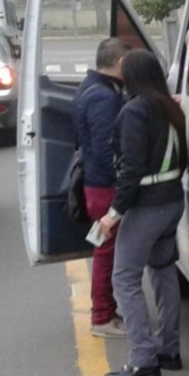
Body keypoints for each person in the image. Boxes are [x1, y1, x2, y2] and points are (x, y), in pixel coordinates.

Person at [97, 49, 188, 376]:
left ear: (132, 76)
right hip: (172, 200)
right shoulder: (171, 107)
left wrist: (114, 212)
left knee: (124, 278)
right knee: (164, 272)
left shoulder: (135, 110)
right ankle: (169, 350)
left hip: (147, 205)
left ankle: (143, 360)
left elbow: (131, 167)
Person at [74, 38, 129, 339]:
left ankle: (106, 311)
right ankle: (103, 318)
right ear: (120, 63)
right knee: (106, 253)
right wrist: (123, 187)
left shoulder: (90, 87)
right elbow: (106, 149)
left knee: (103, 250)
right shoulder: (104, 98)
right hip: (104, 187)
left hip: (95, 184)